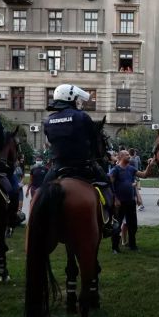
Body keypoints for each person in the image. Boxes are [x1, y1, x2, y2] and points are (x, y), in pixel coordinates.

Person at [43, 83, 114, 235]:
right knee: (107, 185)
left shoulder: (48, 120)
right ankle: (110, 222)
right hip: (82, 165)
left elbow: (52, 141)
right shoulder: (81, 117)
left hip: (58, 167)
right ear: (70, 98)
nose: (78, 101)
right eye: (76, 99)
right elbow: (93, 139)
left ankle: (41, 223)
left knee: (42, 191)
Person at [109, 150, 151, 252]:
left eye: (129, 155)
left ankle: (133, 245)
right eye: (127, 155)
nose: (129, 156)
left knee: (133, 225)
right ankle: (115, 247)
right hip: (119, 203)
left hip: (130, 202)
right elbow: (110, 185)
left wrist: (150, 165)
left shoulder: (131, 169)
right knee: (117, 225)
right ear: (120, 157)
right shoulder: (115, 170)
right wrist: (115, 199)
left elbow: (144, 175)